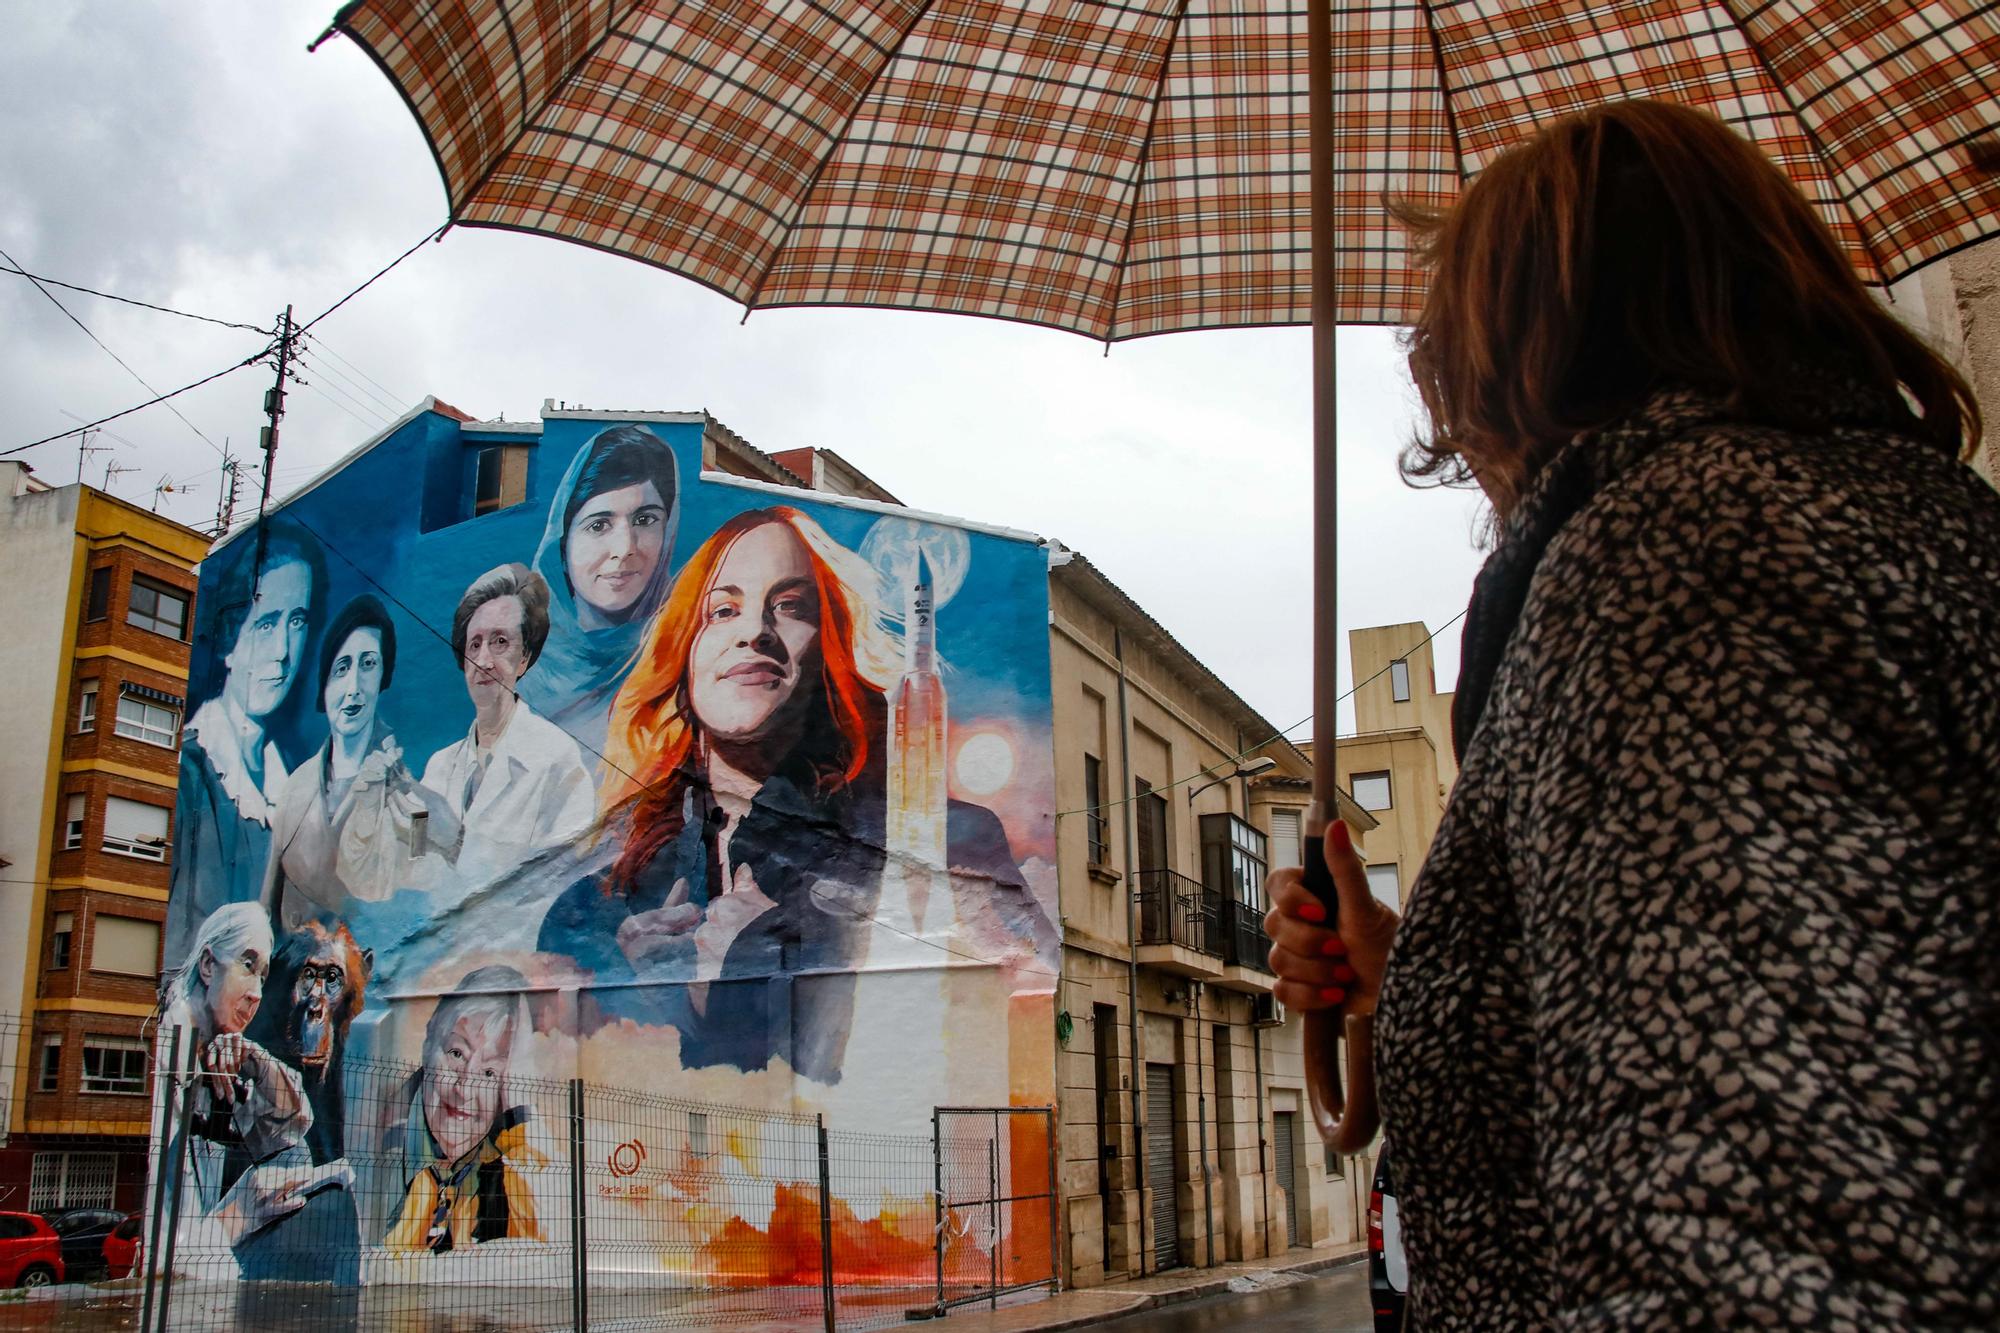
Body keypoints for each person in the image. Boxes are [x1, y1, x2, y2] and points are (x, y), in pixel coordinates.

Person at [1263, 100, 1998, 1328]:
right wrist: (1427, 978)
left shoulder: (1677, 556)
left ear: (1518, 344)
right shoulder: (1914, 518)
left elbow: (1743, 1198)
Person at [538, 507, 1052, 1083]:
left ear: (828, 653)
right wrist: (651, 999)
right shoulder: (589, 911)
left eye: (791, 607)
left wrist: (753, 961)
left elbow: (1015, 1021)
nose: (754, 630)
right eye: (723, 610)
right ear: (682, 658)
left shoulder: (951, 841)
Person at [157, 902, 353, 1278]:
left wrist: (255, 1059)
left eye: (262, 977)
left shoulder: (220, 1051)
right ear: (208, 965)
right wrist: (239, 1214)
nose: (255, 994)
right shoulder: (172, 1045)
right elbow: (168, 1257)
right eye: (248, 967)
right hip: (186, 1275)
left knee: (295, 1161)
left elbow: (296, 1121)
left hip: (203, 1262)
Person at [394, 563, 596, 898]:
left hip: (516, 947)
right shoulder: (440, 767)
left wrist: (455, 840)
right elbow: (416, 877)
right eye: (474, 645)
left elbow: (561, 886)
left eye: (500, 641)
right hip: (437, 947)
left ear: (524, 658)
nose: (482, 660)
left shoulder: (557, 759)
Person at [169, 523, 324, 948]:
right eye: (265, 624)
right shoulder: (192, 774)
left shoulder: (298, 781)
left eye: (297, 621)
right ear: (228, 640)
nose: (283, 653)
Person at [516, 424, 679, 758]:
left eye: (645, 520)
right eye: (599, 525)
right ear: (563, 542)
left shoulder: (689, 659)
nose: (625, 548)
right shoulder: (519, 668)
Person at [262, 594, 417, 929]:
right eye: (342, 667)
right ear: (325, 683)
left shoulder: (408, 787)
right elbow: (269, 906)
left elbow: (420, 890)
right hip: (297, 969)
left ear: (383, 676)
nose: (353, 688)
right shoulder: (295, 789)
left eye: (368, 665)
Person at [380, 965, 545, 1251]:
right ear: (428, 1041)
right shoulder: (377, 1137)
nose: (464, 1089)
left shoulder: (501, 1171)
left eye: (489, 1072)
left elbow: (551, 1259)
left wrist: (521, 1111)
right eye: (456, 1053)